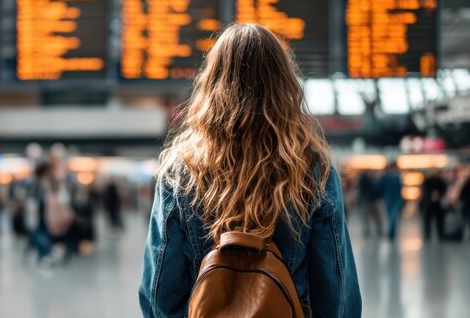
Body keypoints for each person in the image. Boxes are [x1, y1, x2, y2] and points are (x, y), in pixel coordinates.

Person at [138, 24, 361, 317]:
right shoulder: (312, 169)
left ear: (212, 83)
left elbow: (160, 293)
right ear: (284, 85)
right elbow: (337, 294)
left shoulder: (181, 170)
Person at [377, 162, 403, 241]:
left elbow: (380, 187)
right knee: (393, 215)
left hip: (388, 198)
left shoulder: (385, 177)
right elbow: (400, 188)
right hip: (395, 198)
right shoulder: (397, 177)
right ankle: (392, 232)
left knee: (390, 215)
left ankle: (391, 232)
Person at [421, 169, 447, 240]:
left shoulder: (440, 181)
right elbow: (424, 190)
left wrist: (439, 195)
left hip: (438, 204)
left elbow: (444, 189)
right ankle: (428, 234)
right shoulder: (427, 181)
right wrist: (430, 196)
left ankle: (440, 234)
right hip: (429, 203)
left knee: (439, 220)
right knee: (428, 219)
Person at [357, 170, 383, 237]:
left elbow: (361, 191)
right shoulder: (372, 180)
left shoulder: (365, 180)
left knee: (367, 217)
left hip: (367, 201)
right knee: (375, 217)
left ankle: (368, 231)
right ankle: (378, 230)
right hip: (371, 201)